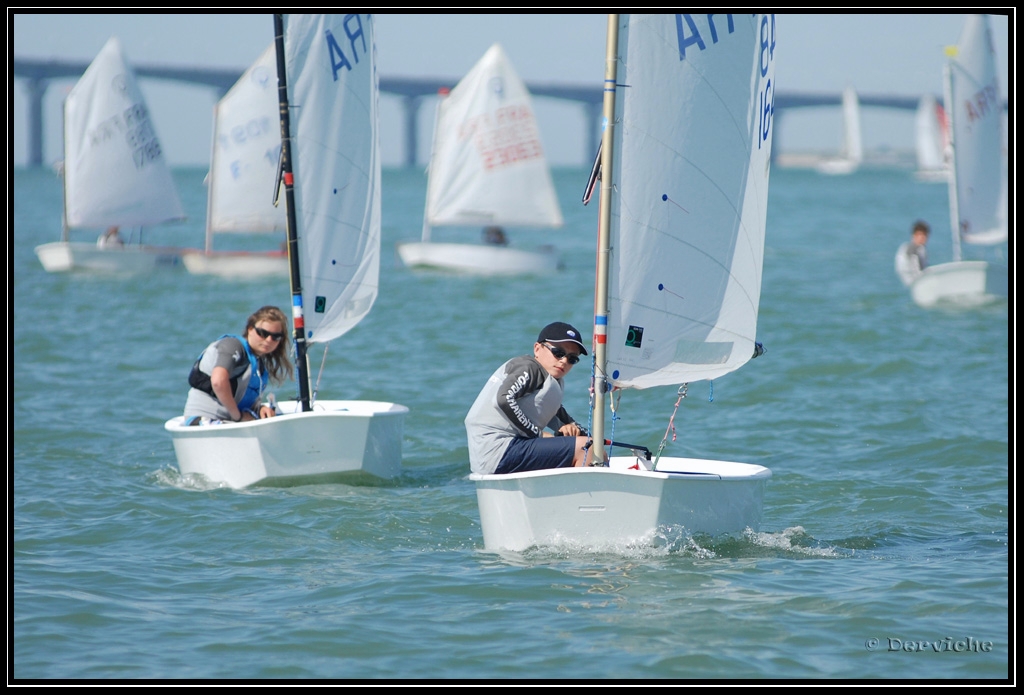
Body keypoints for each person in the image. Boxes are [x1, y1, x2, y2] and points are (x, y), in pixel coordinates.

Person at [465, 321, 600, 475]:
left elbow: (559, 416)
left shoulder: (547, 381)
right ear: (537, 348)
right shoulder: (530, 368)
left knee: (591, 446)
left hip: (507, 450)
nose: (564, 361)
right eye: (558, 352)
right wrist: (538, 434)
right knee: (587, 448)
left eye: (572, 358)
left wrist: (575, 430)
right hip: (498, 451)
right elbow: (503, 399)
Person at [183, 306, 293, 425]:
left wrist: (258, 409)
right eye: (263, 333)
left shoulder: (257, 361)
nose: (268, 340)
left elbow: (240, 397)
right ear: (250, 329)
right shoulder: (232, 346)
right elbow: (218, 381)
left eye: (276, 337)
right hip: (204, 420)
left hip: (229, 420)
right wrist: (238, 417)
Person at [895, 219, 930, 286]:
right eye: (920, 235)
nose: (922, 238)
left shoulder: (921, 249)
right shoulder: (912, 248)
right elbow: (915, 269)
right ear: (914, 235)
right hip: (913, 282)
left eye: (924, 235)